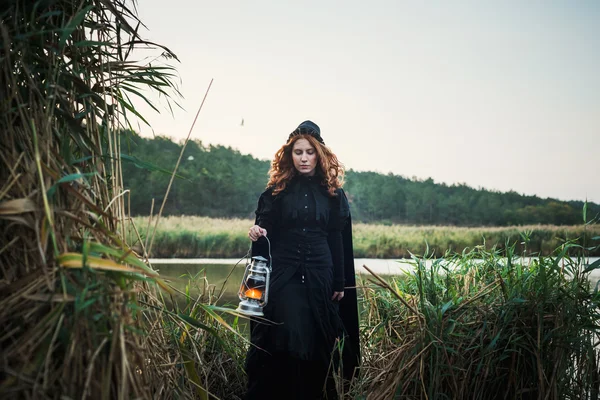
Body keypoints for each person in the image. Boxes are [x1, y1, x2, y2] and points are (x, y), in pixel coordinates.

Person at [244, 121, 360, 400]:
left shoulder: (334, 195)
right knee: (290, 335)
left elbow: (337, 240)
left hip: (322, 275)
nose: (304, 158)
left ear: (319, 155)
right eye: (298, 152)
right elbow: (265, 226)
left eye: (309, 152)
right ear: (289, 155)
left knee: (319, 343)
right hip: (285, 276)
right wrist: (257, 231)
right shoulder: (276, 192)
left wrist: (340, 282)